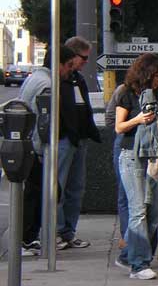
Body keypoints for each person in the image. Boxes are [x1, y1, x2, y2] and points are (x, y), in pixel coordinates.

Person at [19, 45, 77, 255]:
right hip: (36, 149)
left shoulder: (36, 78)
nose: (69, 70)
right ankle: (27, 238)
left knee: (39, 193)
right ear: (58, 64)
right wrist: (41, 151)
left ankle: (29, 237)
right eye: (68, 65)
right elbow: (42, 121)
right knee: (42, 193)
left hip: (30, 146)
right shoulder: (47, 84)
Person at [115, 53, 158, 280]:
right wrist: (138, 119)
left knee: (154, 211)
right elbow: (119, 127)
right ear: (146, 73)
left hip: (153, 156)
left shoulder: (157, 94)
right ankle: (139, 264)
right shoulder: (126, 93)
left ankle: (127, 255)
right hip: (131, 154)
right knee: (138, 210)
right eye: (157, 75)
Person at [55, 36, 101, 249]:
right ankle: (57, 230)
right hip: (65, 139)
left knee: (76, 188)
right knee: (59, 187)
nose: (85, 62)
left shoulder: (77, 79)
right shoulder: (60, 79)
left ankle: (68, 231)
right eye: (83, 58)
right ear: (71, 56)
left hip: (79, 139)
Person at [105, 83, 129, 268]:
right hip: (125, 142)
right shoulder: (124, 91)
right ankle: (126, 237)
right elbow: (111, 119)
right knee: (125, 193)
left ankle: (129, 238)